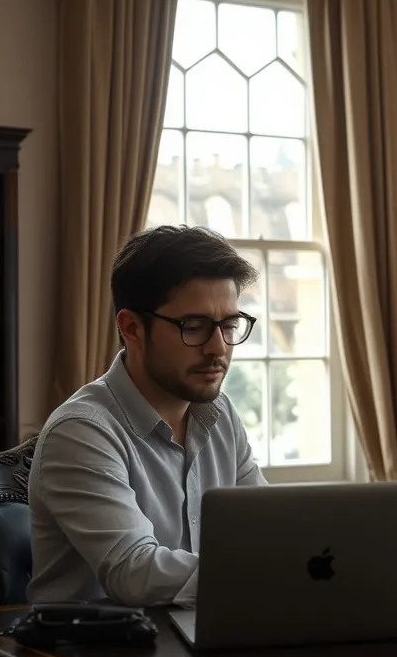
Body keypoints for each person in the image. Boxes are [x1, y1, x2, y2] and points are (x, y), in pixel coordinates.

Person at [26, 225, 266, 608]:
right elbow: (134, 571)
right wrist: (273, 573)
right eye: (194, 327)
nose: (218, 348)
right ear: (132, 328)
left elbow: (268, 530)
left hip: (202, 629)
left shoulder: (220, 414)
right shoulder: (81, 431)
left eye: (229, 326)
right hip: (95, 643)